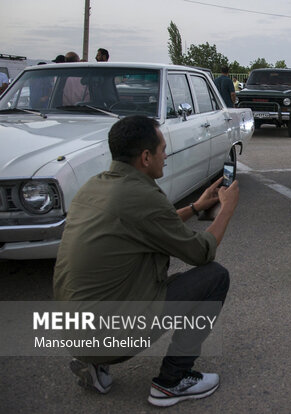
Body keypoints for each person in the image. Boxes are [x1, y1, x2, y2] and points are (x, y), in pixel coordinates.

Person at [54, 115, 239, 407]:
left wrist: (195, 207)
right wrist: (227, 208)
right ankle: (173, 381)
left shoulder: (95, 186)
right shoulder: (143, 195)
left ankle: (93, 362)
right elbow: (200, 251)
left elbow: (150, 224)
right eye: (162, 149)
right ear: (145, 156)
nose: (166, 156)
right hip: (109, 336)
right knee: (214, 277)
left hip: (73, 330)